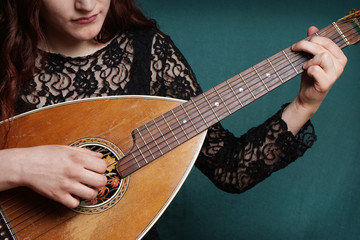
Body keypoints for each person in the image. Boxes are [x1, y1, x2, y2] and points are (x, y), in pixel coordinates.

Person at [0, 0, 347, 239]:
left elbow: (231, 169)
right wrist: (21, 166)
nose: (88, 5)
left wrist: (306, 102)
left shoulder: (148, 52)